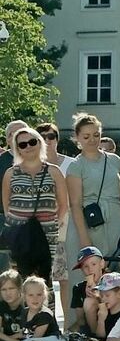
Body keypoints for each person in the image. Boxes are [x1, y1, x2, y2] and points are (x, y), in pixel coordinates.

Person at [1, 126, 69, 301]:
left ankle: (46, 321)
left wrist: (55, 223)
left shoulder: (54, 171)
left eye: (32, 141)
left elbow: (63, 204)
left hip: (47, 233)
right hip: (18, 234)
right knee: (18, 277)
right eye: (22, 144)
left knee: (44, 277)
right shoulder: (10, 173)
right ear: (17, 148)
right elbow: (7, 204)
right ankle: (23, 321)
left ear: (40, 143)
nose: (28, 146)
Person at [64, 114, 120, 292]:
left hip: (112, 223)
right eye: (86, 136)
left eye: (96, 134)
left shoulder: (114, 160)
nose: (92, 140)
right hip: (85, 223)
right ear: (77, 138)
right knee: (84, 280)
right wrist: (85, 241)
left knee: (109, 279)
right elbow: (75, 204)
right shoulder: (76, 165)